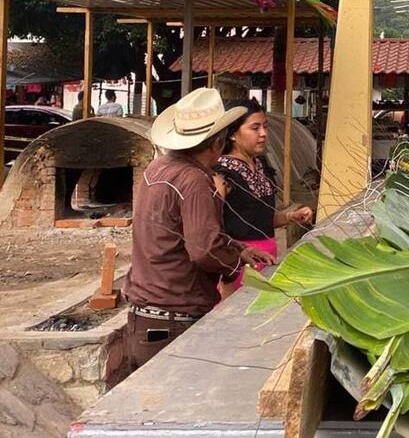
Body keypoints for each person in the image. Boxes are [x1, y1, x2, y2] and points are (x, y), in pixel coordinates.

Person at [122, 88, 275, 371]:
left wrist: (239, 249)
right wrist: (234, 266)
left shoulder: (157, 168)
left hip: (146, 311)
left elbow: (184, 233)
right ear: (217, 142)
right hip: (174, 314)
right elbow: (204, 250)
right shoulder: (194, 180)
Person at [214, 99, 313, 298]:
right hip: (237, 266)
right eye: (255, 128)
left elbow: (259, 218)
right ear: (232, 133)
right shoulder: (221, 174)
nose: (263, 134)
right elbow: (211, 230)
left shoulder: (260, 165)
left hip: (267, 260)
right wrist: (226, 276)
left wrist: (290, 217)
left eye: (265, 127)